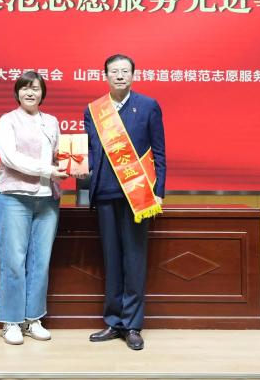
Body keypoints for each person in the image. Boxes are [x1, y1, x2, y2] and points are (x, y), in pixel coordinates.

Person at [84, 54, 166, 351]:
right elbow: (91, 152)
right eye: (114, 71)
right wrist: (78, 166)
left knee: (134, 260)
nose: (119, 75)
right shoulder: (94, 110)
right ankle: (113, 321)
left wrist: (159, 191)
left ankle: (132, 325)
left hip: (138, 195)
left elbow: (159, 151)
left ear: (133, 74)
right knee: (112, 260)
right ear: (105, 75)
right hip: (105, 193)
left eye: (125, 71)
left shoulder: (148, 106)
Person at [0, 70, 68, 345]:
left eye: (35, 88)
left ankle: (33, 318)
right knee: (13, 261)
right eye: (25, 88)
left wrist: (74, 166)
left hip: (47, 198)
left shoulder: (51, 121)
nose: (30, 92)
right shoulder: (8, 120)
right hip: (14, 197)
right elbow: (9, 157)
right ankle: (11, 321)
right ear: (17, 92)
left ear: (42, 93)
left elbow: (60, 155)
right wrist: (47, 170)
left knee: (40, 261)